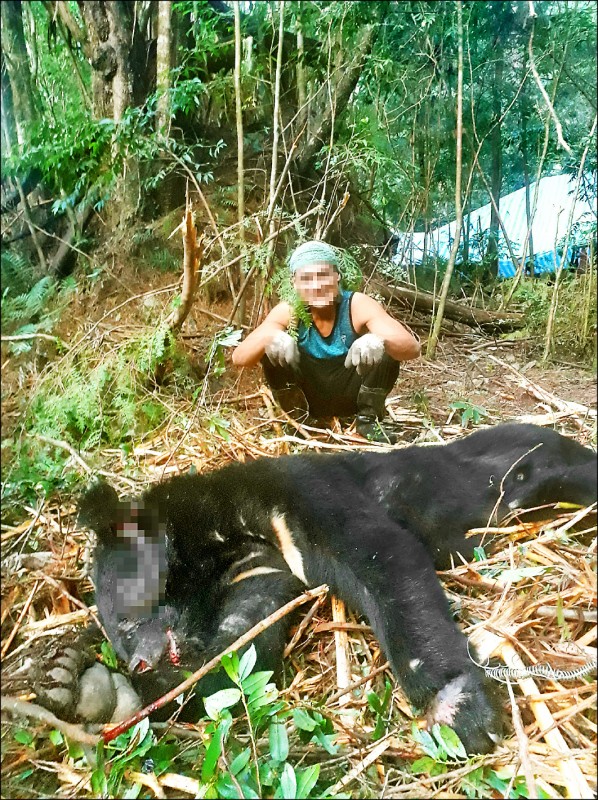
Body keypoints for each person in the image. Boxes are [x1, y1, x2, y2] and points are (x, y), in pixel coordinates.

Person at [232, 240, 421, 443]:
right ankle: (297, 421)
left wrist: (377, 340)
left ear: (336, 276)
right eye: (306, 279)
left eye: (323, 275)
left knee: (385, 347)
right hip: (309, 400)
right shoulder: (289, 311)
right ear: (294, 283)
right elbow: (239, 357)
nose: (316, 286)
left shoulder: (356, 305)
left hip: (352, 397)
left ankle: (368, 421)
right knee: (271, 350)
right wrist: (271, 338)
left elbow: (412, 348)